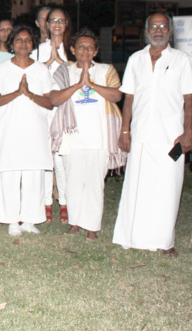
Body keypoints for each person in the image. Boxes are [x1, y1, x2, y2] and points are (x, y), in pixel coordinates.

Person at [113, 13, 192, 257]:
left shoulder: (181, 59)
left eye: (163, 26)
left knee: (168, 188)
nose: (158, 30)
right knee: (136, 188)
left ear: (170, 32)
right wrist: (125, 130)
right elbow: (128, 98)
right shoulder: (135, 59)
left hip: (170, 137)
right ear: (146, 31)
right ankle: (130, 237)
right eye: (153, 26)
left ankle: (165, 241)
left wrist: (187, 133)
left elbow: (189, 99)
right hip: (140, 134)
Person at [49, 29, 126, 240]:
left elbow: (117, 95)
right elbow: (54, 98)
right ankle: (74, 223)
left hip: (100, 138)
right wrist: (78, 85)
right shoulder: (65, 71)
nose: (85, 50)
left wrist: (91, 84)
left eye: (90, 47)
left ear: (96, 51)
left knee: (94, 184)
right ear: (73, 49)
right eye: (81, 46)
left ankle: (92, 227)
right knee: (73, 183)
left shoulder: (106, 70)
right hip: (72, 139)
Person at [0, 24, 53, 236]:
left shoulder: (41, 69)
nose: (23, 44)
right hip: (10, 129)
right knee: (10, 172)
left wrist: (30, 94)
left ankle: (30, 220)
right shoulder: (3, 69)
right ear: (12, 44)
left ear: (33, 43)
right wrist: (17, 93)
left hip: (35, 129)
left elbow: (50, 102)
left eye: (27, 40)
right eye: (19, 40)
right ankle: (12, 220)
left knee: (33, 173)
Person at [32, 8, 73, 224]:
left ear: (66, 24)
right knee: (46, 158)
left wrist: (62, 61)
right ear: (46, 24)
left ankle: (65, 202)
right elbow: (30, 78)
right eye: (53, 20)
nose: (57, 24)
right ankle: (46, 203)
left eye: (61, 20)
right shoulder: (37, 51)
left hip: (66, 110)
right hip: (44, 109)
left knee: (63, 158)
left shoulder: (73, 49)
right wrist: (46, 64)